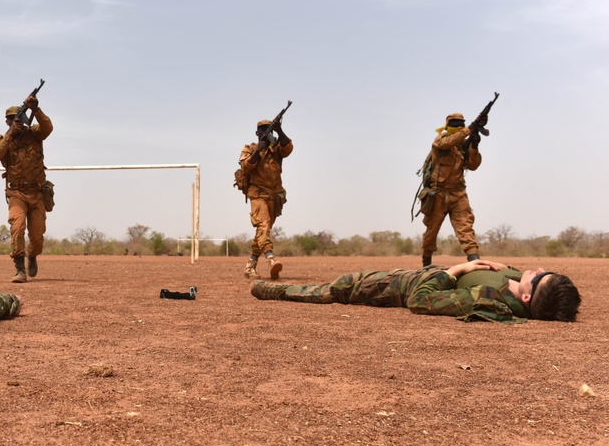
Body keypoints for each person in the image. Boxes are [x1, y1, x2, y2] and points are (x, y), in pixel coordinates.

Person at [250, 260, 580, 323]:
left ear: (527, 298)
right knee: (343, 282)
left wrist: (456, 271)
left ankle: (272, 291)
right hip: (417, 272)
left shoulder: (487, 301)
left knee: (339, 287)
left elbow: (420, 301)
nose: (537, 270)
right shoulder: (516, 282)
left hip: (402, 285)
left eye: (541, 277)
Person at [0, 92, 53, 282]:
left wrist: (36, 109)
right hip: (17, 192)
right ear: (7, 122)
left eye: (18, 119)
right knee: (17, 228)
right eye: (11, 120)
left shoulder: (35, 134)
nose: (15, 122)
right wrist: (10, 135)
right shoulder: (2, 139)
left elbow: (48, 127)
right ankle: (19, 269)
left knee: (36, 236)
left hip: (37, 192)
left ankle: (32, 256)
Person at [419, 111, 483, 267]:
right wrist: (470, 129)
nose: (459, 127)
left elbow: (473, 166)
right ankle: (426, 265)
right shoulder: (441, 139)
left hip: (458, 194)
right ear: (448, 126)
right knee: (431, 232)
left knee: (466, 229)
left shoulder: (462, 146)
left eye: (461, 124)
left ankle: (476, 264)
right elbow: (447, 143)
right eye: (455, 124)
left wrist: (474, 145)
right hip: (437, 194)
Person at [238, 117, 293, 279]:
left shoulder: (276, 149)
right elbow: (245, 167)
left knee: (263, 231)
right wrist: (257, 151)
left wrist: (279, 130)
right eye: (263, 129)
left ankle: (250, 266)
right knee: (263, 224)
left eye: (268, 129)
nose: (266, 132)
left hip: (274, 196)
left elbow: (288, 149)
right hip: (257, 194)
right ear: (257, 133)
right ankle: (271, 259)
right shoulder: (249, 148)